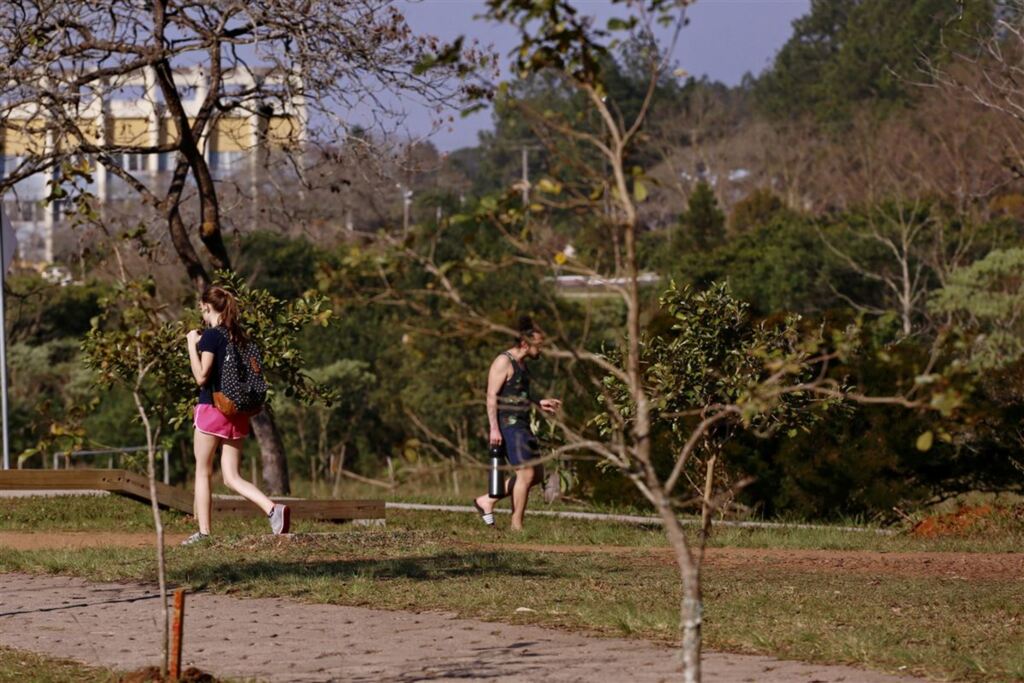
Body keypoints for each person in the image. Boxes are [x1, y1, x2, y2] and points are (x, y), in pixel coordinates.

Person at [180, 286, 289, 545]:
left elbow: (201, 377)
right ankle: (274, 510)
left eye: (201, 309)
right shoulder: (241, 337)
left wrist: (191, 345)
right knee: (231, 476)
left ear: (207, 307)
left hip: (212, 409)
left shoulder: (210, 337)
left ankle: (204, 533)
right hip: (237, 413)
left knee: (203, 471)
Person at [473, 317, 561, 531]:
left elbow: (517, 394)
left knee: (537, 475)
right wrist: (494, 428)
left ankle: (487, 501)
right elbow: (491, 396)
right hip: (508, 426)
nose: (541, 349)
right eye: (539, 344)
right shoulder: (503, 361)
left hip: (522, 425)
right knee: (526, 474)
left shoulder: (522, 364)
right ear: (525, 344)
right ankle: (516, 525)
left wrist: (540, 402)